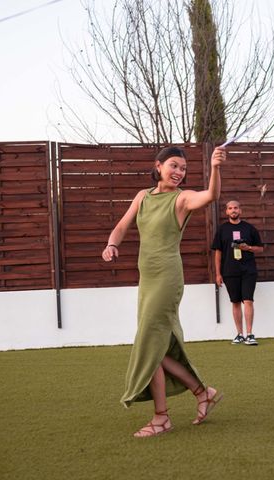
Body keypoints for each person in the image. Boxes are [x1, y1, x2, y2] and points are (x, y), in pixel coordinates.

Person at [102, 146, 226, 437]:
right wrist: (112, 244)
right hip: (147, 279)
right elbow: (122, 225)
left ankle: (162, 417)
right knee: (155, 344)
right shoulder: (143, 197)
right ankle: (202, 392)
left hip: (167, 279)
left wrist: (215, 168)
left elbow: (211, 196)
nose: (179, 172)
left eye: (183, 168)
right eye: (174, 165)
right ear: (158, 166)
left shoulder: (181, 199)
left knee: (150, 342)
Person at [212, 200, 264, 346]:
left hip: (248, 270)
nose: (233, 210)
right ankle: (239, 334)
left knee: (248, 300)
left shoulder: (249, 228)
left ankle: (250, 334)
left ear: (240, 210)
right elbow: (218, 253)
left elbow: (260, 248)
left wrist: (248, 248)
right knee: (235, 302)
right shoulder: (222, 230)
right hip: (229, 271)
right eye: (230, 208)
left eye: (236, 208)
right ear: (226, 212)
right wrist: (218, 274)